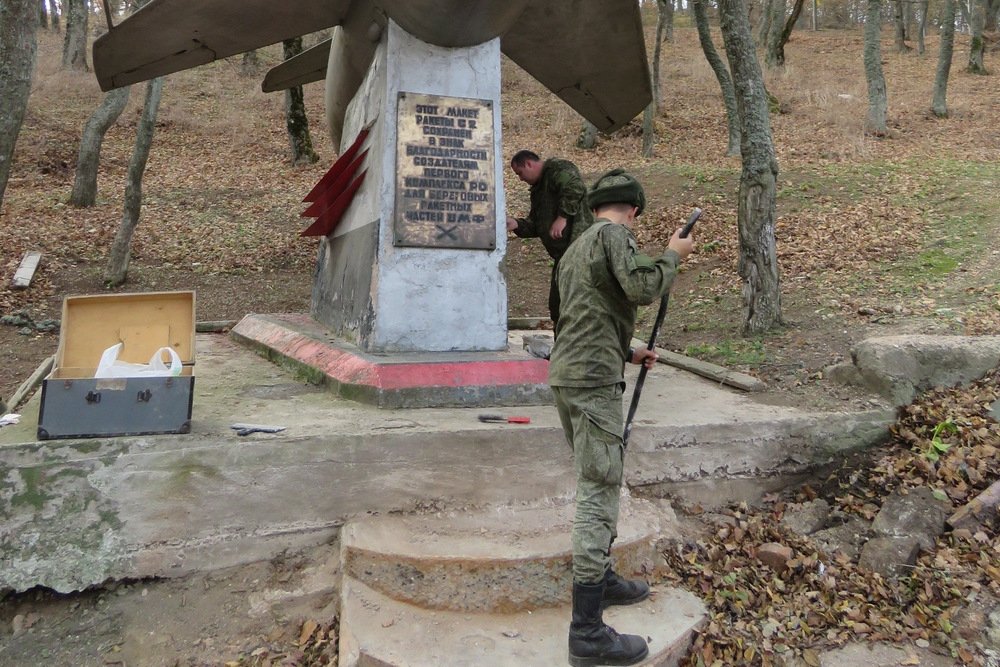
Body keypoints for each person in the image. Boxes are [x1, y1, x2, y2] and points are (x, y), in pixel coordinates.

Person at [548, 169, 695, 667]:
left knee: (597, 480)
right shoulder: (615, 236)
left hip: (570, 376)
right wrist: (673, 254)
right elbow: (639, 287)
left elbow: (581, 313)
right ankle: (586, 632)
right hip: (592, 385)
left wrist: (628, 352)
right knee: (598, 491)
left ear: (593, 206)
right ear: (633, 209)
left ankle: (602, 579)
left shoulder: (576, 248)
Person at [506, 150, 595, 325]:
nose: (520, 179)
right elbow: (536, 225)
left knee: (575, 307)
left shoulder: (557, 169)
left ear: (529, 164)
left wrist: (562, 217)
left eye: (520, 173)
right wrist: (516, 224)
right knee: (557, 307)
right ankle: (562, 349)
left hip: (580, 251)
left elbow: (575, 188)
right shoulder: (538, 190)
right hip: (563, 257)